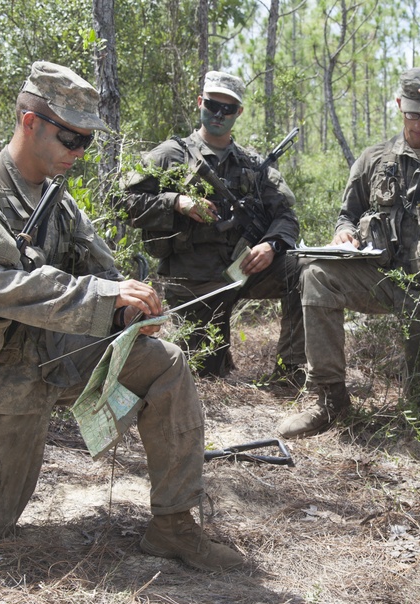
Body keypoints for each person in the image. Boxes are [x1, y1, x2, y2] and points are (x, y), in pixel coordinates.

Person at [0, 61, 243, 572]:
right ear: (30, 123)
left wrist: (129, 309)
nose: (79, 153)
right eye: (71, 139)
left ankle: (173, 526)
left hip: (50, 362)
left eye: (87, 142)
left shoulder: (56, 199)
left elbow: (102, 271)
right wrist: (102, 296)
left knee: (163, 363)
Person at [276, 67, 420, 439]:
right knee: (316, 274)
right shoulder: (375, 158)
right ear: (398, 106)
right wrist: (344, 232)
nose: (418, 124)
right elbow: (347, 213)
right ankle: (329, 398)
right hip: (381, 277)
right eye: (411, 114)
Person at [123, 71, 304, 382]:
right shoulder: (171, 154)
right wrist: (176, 201)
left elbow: (286, 215)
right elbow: (122, 201)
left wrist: (272, 245)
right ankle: (218, 355)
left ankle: (290, 373)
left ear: (239, 113)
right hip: (196, 278)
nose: (219, 114)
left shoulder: (253, 164)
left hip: (245, 270)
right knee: (205, 373)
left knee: (305, 271)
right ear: (199, 103)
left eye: (228, 109)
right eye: (212, 105)